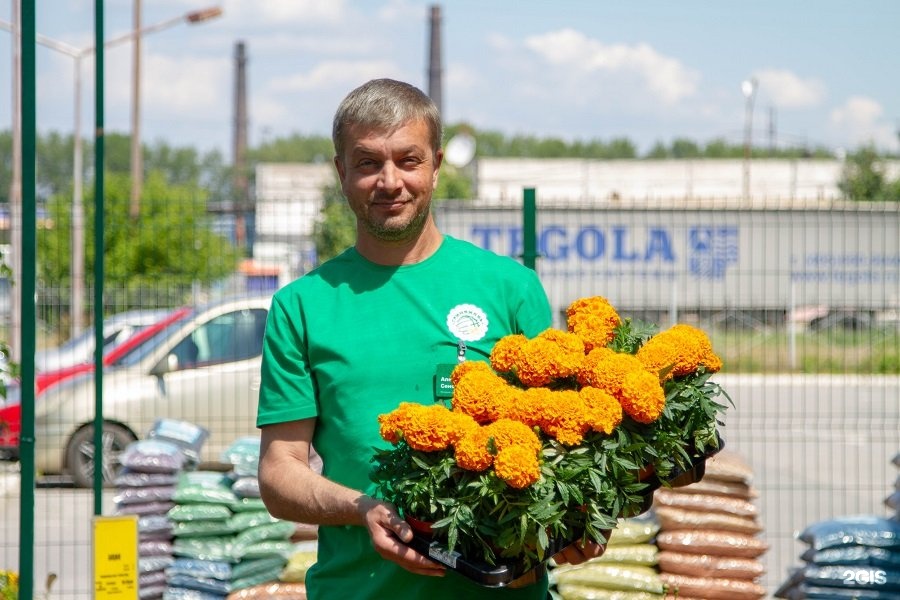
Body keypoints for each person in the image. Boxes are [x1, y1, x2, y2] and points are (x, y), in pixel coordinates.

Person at [256, 78, 605, 600]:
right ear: (341, 172)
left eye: (408, 160)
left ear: (437, 166)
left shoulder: (509, 289)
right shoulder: (302, 306)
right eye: (369, 162)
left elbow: (567, 442)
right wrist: (361, 507)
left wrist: (578, 522)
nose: (389, 181)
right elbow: (279, 472)